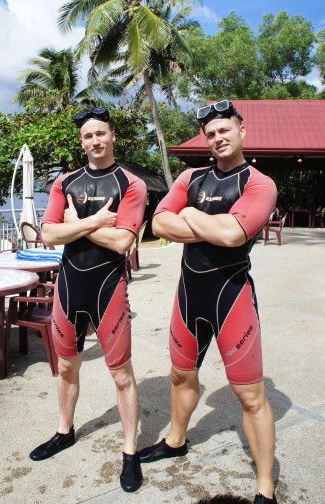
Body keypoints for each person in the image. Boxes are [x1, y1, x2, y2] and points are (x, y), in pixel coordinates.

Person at [138, 101, 278, 504]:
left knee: (250, 396)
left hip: (232, 297)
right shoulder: (190, 176)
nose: (218, 138)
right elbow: (158, 223)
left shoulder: (259, 183)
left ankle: (265, 486)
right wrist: (211, 224)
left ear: (241, 131)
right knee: (180, 376)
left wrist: (192, 216)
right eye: (211, 133)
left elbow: (234, 236)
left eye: (225, 130)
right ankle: (176, 440)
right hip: (189, 296)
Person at [29, 106, 147, 493]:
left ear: (113, 136)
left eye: (100, 134)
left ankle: (130, 452)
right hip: (69, 288)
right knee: (66, 369)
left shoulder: (131, 184)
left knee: (121, 374)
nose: (94, 141)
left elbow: (123, 242)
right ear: (81, 142)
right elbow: (48, 235)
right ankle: (65, 431)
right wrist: (96, 221)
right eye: (87, 136)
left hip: (108, 289)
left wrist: (73, 225)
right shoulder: (65, 182)